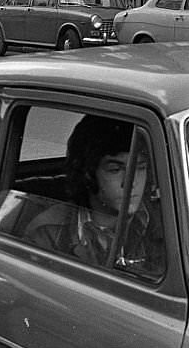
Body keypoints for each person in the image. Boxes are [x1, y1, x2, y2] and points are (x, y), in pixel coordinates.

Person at [24, 115, 165, 277]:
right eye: (115, 170)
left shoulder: (166, 221)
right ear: (88, 173)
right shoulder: (48, 233)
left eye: (140, 168)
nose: (131, 182)